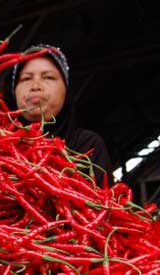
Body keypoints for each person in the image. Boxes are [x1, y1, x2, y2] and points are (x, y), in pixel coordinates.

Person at [10, 44, 113, 187]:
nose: (35, 85)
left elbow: (103, 203)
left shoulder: (86, 145)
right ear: (14, 91)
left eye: (48, 77)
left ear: (66, 90)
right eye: (26, 78)